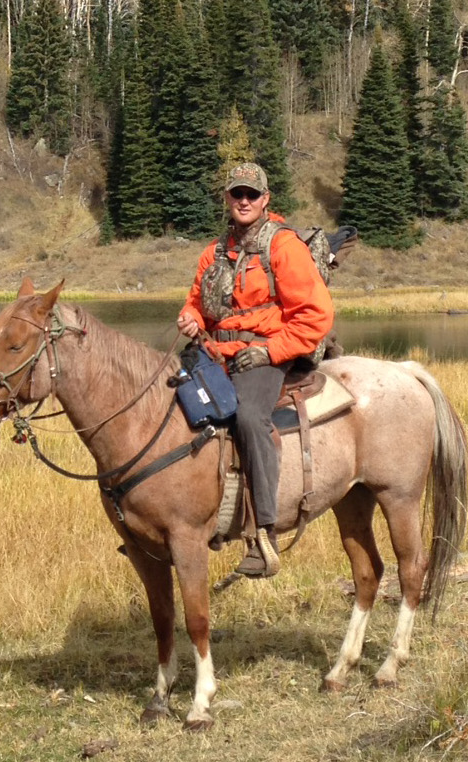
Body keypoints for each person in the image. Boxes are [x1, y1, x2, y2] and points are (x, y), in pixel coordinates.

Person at [177, 162, 335, 578]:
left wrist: (270, 353)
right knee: (171, 407)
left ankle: (263, 533)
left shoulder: (283, 247)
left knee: (248, 417)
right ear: (227, 199)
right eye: (236, 194)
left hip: (268, 353)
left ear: (266, 200)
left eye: (252, 194)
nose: (243, 201)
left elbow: (316, 316)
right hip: (216, 354)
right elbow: (197, 300)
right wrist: (190, 318)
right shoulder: (214, 252)